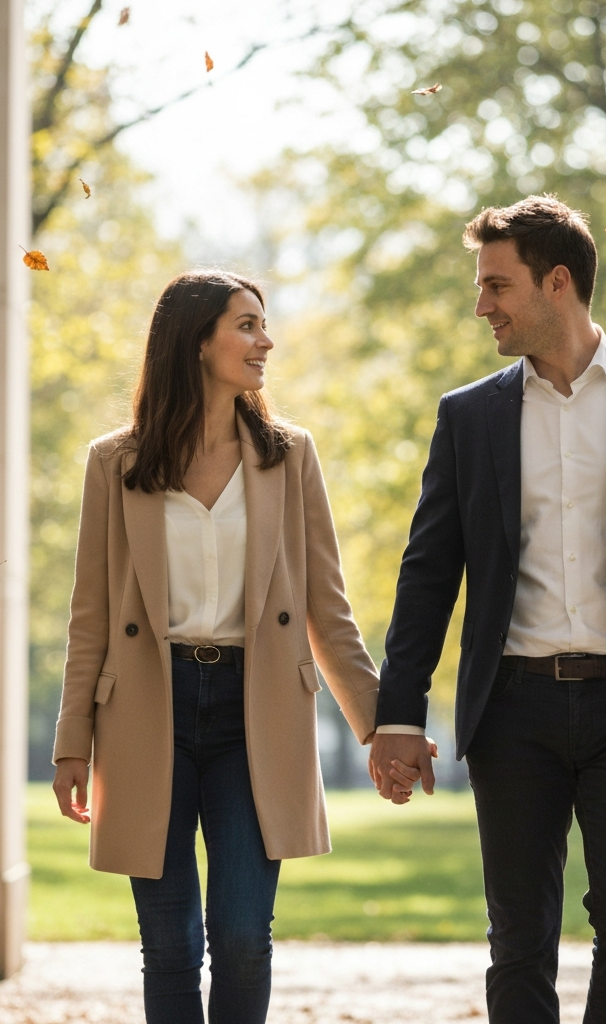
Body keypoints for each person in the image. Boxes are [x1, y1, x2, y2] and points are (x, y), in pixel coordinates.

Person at [369, 196, 606, 1024]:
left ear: (557, 283)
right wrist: (397, 713)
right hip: (512, 707)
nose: (482, 307)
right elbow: (427, 573)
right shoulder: (467, 416)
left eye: (496, 286)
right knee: (519, 935)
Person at [51, 270, 392, 1024]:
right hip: (148, 712)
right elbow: (92, 619)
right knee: (169, 943)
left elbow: (327, 611)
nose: (264, 341)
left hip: (254, 713)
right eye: (246, 325)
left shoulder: (289, 456)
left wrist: (382, 728)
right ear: (196, 341)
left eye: (262, 326)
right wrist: (72, 742)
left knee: (242, 937)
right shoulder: (115, 463)